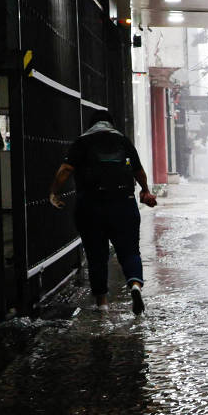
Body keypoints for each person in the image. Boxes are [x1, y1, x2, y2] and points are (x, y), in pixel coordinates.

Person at [50, 114, 157, 313]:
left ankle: (103, 306)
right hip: (124, 205)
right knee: (130, 251)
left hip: (90, 207)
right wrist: (145, 190)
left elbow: (65, 169)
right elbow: (138, 170)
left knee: (96, 256)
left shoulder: (82, 142)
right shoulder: (122, 140)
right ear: (111, 124)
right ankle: (135, 285)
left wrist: (54, 192)